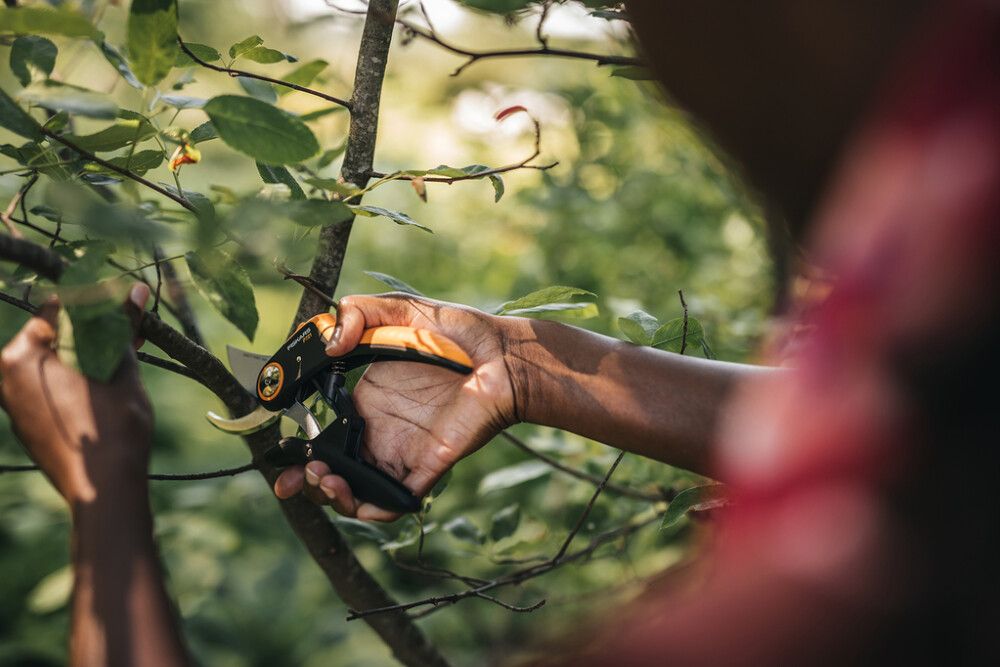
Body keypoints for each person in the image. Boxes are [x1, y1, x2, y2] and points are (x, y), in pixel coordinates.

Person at [2, 0, 997, 664]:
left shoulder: (850, 591)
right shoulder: (953, 260)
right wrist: (525, 362)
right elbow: (884, 433)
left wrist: (105, 496)